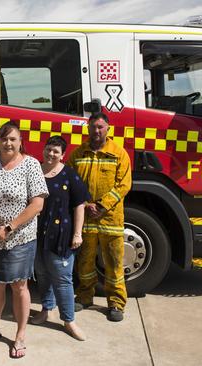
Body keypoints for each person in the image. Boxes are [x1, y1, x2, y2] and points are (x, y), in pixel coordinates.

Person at [0, 121, 48, 359]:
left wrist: (9, 227)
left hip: (20, 238)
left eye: (13, 139)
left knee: (19, 285)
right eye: (4, 138)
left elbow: (38, 204)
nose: (8, 143)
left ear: (20, 141)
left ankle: (20, 335)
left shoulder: (31, 165)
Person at [67, 112, 132, 322]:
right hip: (85, 219)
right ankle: (85, 297)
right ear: (87, 128)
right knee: (84, 262)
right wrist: (85, 204)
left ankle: (116, 303)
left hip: (110, 219)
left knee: (113, 263)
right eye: (93, 127)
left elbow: (124, 184)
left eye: (101, 127)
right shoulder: (78, 154)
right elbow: (70, 181)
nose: (97, 131)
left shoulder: (119, 154)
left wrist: (102, 206)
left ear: (108, 129)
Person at [30, 136, 89, 341]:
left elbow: (79, 205)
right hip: (36, 233)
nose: (51, 154)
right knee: (42, 274)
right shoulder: (35, 170)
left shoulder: (69, 175)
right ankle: (46, 309)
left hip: (61, 235)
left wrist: (77, 234)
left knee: (63, 279)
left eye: (56, 151)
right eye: (48, 149)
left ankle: (69, 320)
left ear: (62, 155)